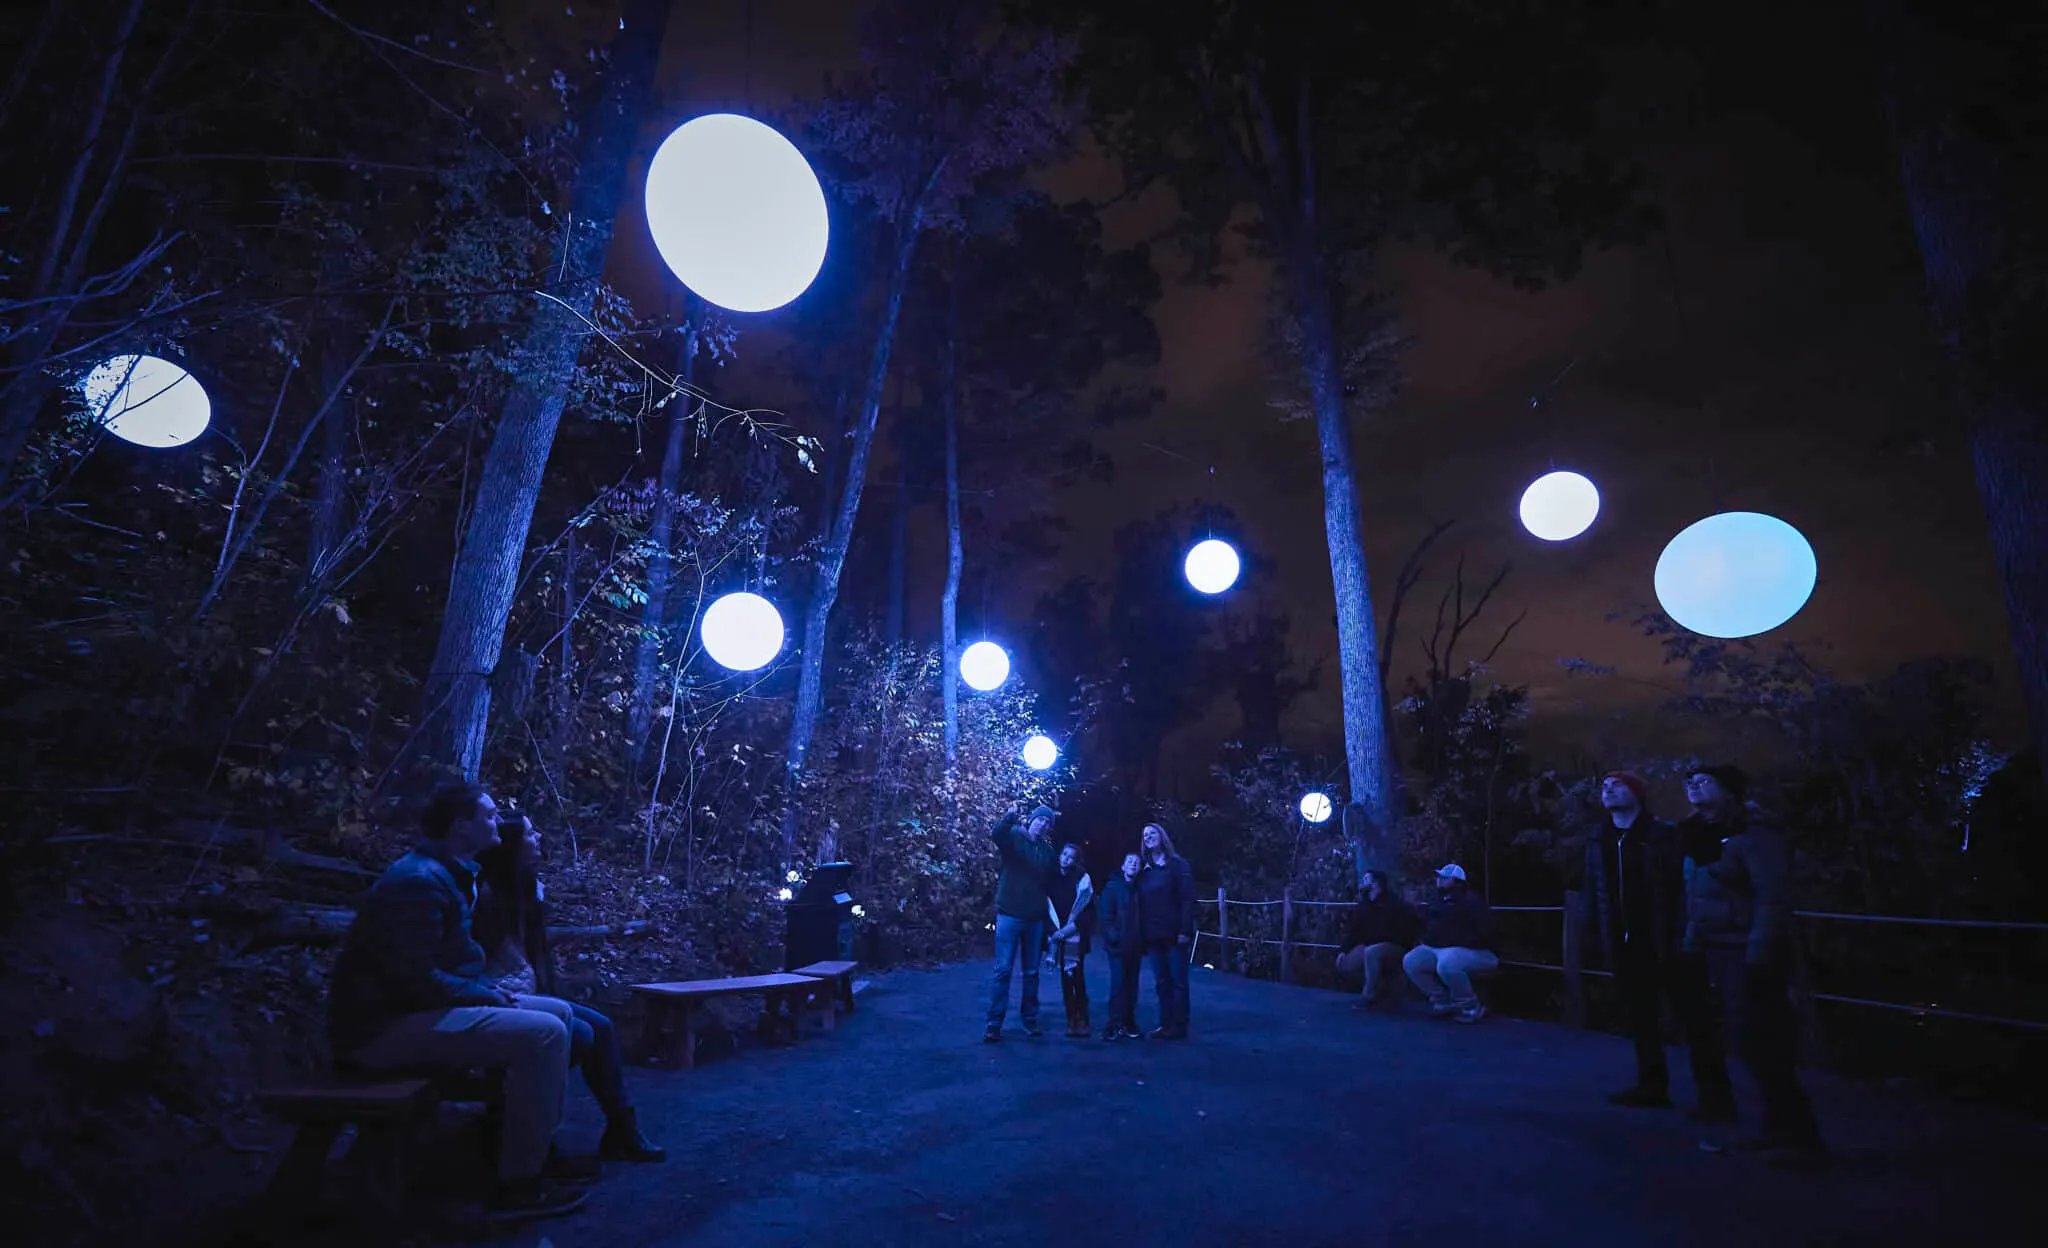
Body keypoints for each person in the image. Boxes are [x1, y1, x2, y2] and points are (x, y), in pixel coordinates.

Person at [325, 783, 587, 1218]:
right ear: (460, 826)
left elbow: (444, 967)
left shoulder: (452, 873)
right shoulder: (418, 881)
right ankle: (517, 1184)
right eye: (489, 815)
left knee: (558, 1013)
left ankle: (535, 1151)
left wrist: (485, 991)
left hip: (420, 1010)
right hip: (380, 1029)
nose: (498, 821)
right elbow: (411, 978)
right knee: (544, 1035)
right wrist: (484, 994)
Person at [473, 813, 665, 1163]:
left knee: (601, 1027)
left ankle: (622, 1128)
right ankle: (534, 1141)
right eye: (530, 833)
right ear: (511, 846)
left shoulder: (524, 887)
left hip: (524, 990)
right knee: (579, 1035)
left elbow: (535, 954)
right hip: (499, 994)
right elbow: (480, 959)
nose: (538, 837)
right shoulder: (488, 896)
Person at [1683, 765, 1827, 1167]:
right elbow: (1696, 892)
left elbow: (1770, 895)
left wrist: (1759, 951)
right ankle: (1776, 1128)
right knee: (1747, 1041)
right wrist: (1693, 939)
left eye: (1705, 781)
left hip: (1748, 948)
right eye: (1690, 781)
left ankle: (1801, 1138)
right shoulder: (1701, 834)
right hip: (1719, 947)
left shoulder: (1755, 832)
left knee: (1765, 1041)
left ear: (1729, 790)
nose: (1693, 786)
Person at [1583, 772, 1734, 1119]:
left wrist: (1683, 931)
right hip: (1625, 942)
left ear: (1637, 794)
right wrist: (1594, 932)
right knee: (1641, 1017)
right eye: (1604, 786)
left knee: (1695, 1018)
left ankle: (1715, 1095)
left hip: (1668, 939)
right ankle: (1652, 1085)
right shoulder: (1599, 838)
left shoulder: (1663, 834)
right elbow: (1595, 888)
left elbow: (1684, 885)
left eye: (1617, 785)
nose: (1608, 789)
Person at [985, 803, 1059, 1043]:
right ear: (1031, 819)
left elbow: (1052, 880)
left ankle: (1029, 1019)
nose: (1043, 824)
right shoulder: (1014, 837)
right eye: (1040, 819)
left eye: (1047, 822)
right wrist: (1009, 816)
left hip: (1035, 919)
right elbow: (997, 835)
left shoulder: (1047, 852)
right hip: (1009, 914)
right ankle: (994, 1023)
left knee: (1031, 972)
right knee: (1003, 970)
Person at [1402, 864, 1498, 1023]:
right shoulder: (1438, 900)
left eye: (1444, 877)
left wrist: (1456, 941)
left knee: (1448, 963)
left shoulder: (1470, 900)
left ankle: (1471, 1006)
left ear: (1457, 881)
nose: (1439, 880)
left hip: (1475, 951)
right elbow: (1428, 924)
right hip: (1440, 948)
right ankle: (1442, 1000)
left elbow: (1486, 929)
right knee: (1411, 961)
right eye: (1439, 877)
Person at [1136, 823, 1196, 1039]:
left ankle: (1179, 1025)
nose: (1148, 837)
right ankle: (1165, 1023)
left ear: (1162, 836)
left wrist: (1185, 929)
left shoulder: (1177, 865)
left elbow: (1188, 899)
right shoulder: (1145, 869)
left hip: (1174, 934)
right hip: (1153, 935)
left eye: (1152, 833)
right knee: (1161, 982)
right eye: (1145, 835)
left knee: (1178, 981)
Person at [1334, 869, 1419, 1009]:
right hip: (1369, 946)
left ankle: (1368, 996)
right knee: (1344, 964)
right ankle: (1379, 986)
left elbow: (1409, 926)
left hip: (1393, 946)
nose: (1363, 881)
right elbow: (1355, 931)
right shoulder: (1364, 905)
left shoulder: (1393, 903)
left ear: (1376, 883)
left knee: (1372, 952)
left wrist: (1401, 942)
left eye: (1366, 879)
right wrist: (1343, 950)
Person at [1047, 841, 1095, 1038]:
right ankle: (1071, 1018)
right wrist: (1055, 932)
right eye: (1064, 854)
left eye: (1071, 857)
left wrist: (1069, 929)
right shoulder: (1051, 878)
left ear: (1076, 861)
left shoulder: (1082, 880)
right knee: (1066, 980)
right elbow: (1046, 907)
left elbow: (1087, 910)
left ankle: (1082, 1018)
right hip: (1058, 934)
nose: (1066, 859)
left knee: (1078, 978)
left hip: (1075, 935)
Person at [1095, 851, 1145, 1040]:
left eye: (1136, 862)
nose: (1133, 864)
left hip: (1136, 945)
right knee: (1118, 985)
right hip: (1117, 946)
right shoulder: (1112, 887)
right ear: (1123, 866)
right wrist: (1114, 937)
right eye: (1129, 861)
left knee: (1132, 986)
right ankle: (1113, 1024)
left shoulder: (1141, 889)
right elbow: (1105, 916)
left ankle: (1128, 1023)